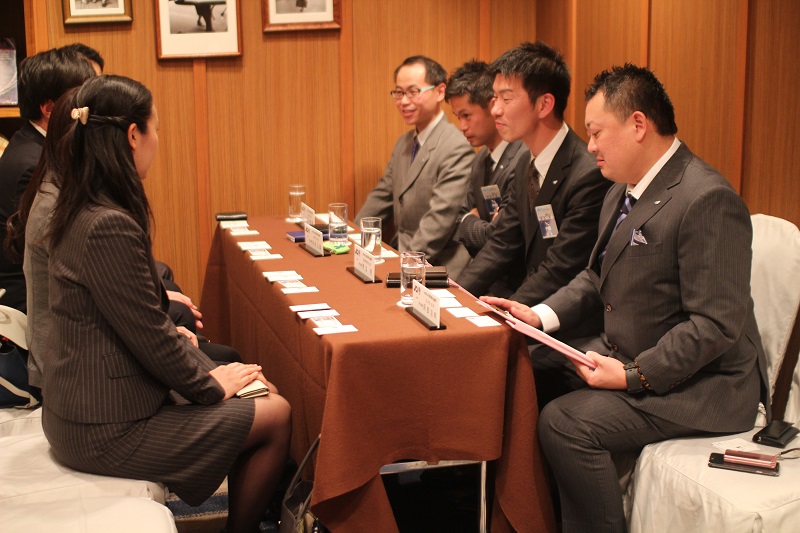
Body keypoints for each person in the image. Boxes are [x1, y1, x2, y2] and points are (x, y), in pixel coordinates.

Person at [484, 64, 769, 533]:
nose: (589, 146)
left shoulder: (706, 198)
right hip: (626, 348)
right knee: (525, 367)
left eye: (597, 133)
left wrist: (635, 375)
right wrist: (538, 316)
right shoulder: (622, 188)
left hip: (706, 384)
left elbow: (715, 326)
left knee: (565, 423)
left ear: (638, 124)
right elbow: (596, 276)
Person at [41, 75, 291, 533]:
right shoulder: (108, 223)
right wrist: (211, 385)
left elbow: (130, 320)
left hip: (81, 409)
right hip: (103, 428)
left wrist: (190, 354)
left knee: (256, 387)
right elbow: (151, 339)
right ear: (133, 135)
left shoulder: (80, 206)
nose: (158, 140)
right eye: (155, 128)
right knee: (275, 412)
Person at [456, 41, 610, 304]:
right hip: (525, 300)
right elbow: (501, 243)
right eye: (495, 98)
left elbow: (560, 268)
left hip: (559, 314)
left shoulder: (587, 174)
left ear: (544, 105)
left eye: (506, 99)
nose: (495, 110)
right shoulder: (524, 162)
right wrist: (455, 295)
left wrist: (509, 312)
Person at [355, 56, 475, 277]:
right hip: (400, 255)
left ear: (440, 91)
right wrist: (352, 238)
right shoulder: (404, 143)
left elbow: (440, 218)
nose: (403, 101)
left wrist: (406, 263)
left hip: (437, 265)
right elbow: (380, 197)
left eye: (412, 92)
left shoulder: (456, 146)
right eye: (399, 93)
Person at [0, 47, 95, 311]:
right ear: (51, 109)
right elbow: (58, 254)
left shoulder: (32, 145)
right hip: (31, 300)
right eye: (82, 101)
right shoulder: (32, 166)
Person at [445, 60, 528, 266]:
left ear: (492, 106)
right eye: (458, 117)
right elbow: (460, 221)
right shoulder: (480, 159)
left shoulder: (522, 159)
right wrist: (473, 221)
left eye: (467, 115)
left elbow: (498, 238)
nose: (462, 126)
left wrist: (471, 221)